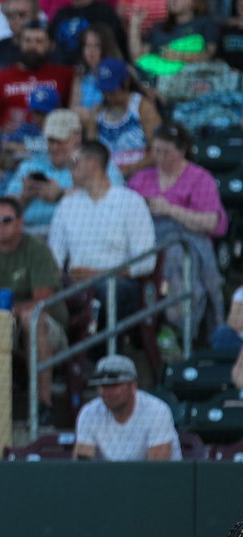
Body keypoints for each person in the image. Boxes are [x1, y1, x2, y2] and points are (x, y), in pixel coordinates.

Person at [0, 196, 67, 424]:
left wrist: (4, 313)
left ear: (20, 222)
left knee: (32, 320)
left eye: (6, 220)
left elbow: (43, 301)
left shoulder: (37, 249)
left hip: (49, 328)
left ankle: (43, 405)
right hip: (0, 324)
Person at [128, 121, 228, 336]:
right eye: (156, 151)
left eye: (166, 152)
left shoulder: (200, 178)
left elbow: (211, 223)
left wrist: (170, 210)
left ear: (182, 151)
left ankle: (179, 326)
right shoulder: (142, 178)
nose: (160, 157)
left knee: (174, 255)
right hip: (146, 240)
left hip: (187, 243)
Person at [49, 140, 155, 323]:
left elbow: (146, 261)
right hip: (76, 285)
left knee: (107, 291)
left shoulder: (131, 201)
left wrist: (98, 274)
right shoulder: (67, 205)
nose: (69, 169)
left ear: (93, 163)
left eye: (74, 162)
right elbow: (53, 258)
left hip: (118, 284)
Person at [6, 108, 124, 236]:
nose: (54, 147)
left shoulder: (97, 163)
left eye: (60, 140)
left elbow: (113, 199)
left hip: (82, 233)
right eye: (51, 140)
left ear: (77, 137)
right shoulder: (30, 165)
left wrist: (61, 195)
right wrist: (24, 197)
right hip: (29, 235)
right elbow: (5, 208)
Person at [74, 354, 181, 460]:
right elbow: (82, 465)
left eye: (114, 385)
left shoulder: (157, 411)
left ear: (133, 385)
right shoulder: (89, 413)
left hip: (149, 472)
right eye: (104, 386)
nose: (108, 392)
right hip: (108, 472)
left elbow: (158, 467)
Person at [0, 22, 74, 135]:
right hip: (9, 139)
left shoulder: (64, 75)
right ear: (20, 44)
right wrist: (2, 132)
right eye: (27, 41)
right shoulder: (1, 77)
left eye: (39, 41)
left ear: (50, 45)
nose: (32, 46)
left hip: (50, 138)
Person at [87, 57, 160, 179]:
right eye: (104, 91)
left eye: (112, 91)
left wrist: (129, 170)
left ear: (125, 82)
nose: (108, 96)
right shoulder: (96, 114)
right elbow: (91, 154)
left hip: (142, 175)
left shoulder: (143, 107)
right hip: (108, 179)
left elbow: (158, 151)